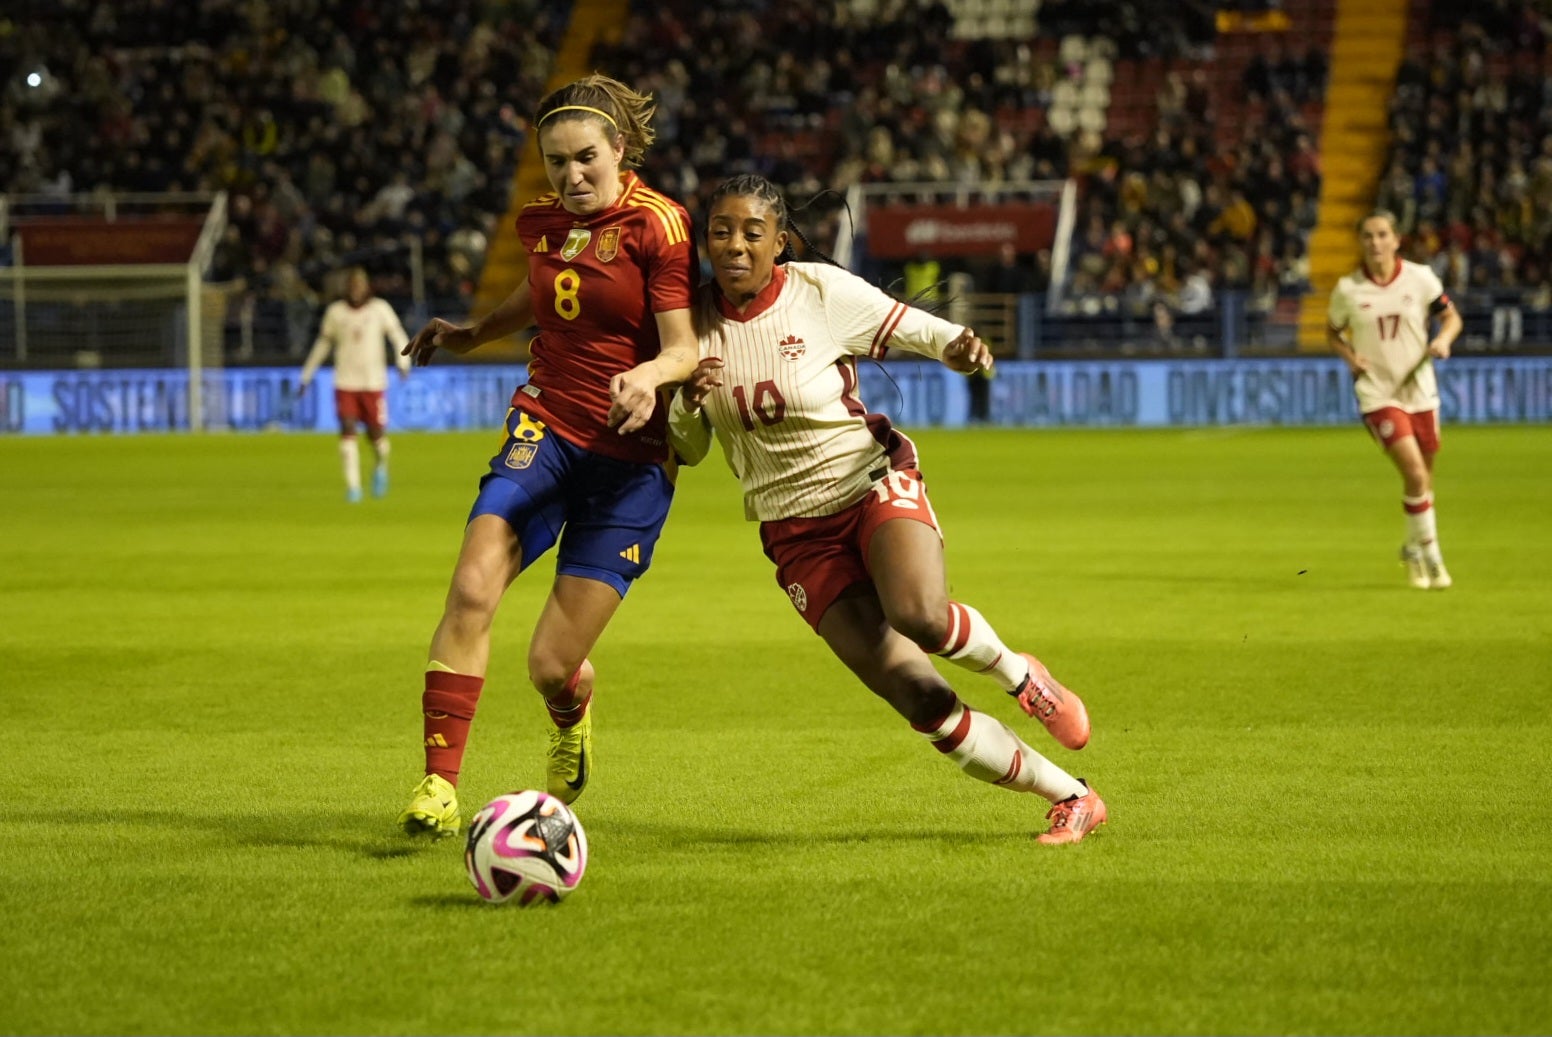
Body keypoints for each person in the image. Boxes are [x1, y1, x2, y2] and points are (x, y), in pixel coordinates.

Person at [667, 175, 1106, 845]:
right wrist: (687, 403)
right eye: (721, 231)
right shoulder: (687, 327)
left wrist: (959, 347)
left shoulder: (817, 293)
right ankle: (1072, 797)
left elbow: (920, 330)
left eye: (752, 232)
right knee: (920, 700)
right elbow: (690, 450)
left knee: (919, 614)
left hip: (868, 481)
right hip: (795, 536)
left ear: (778, 242)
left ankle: (1024, 678)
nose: (734, 244)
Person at [395, 74, 699, 838]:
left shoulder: (659, 225)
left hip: (632, 461)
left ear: (620, 150)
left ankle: (571, 715)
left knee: (550, 666)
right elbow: (545, 292)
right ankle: (438, 783)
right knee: (470, 588)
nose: (572, 177)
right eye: (557, 163)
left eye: (586, 158)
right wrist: (472, 333)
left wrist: (650, 376)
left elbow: (685, 347)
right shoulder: (541, 221)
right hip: (548, 428)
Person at [1327, 209, 1464, 589]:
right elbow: (1333, 332)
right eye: (1368, 236)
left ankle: (1412, 548)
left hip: (1420, 389)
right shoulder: (1348, 290)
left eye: (1382, 235)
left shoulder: (1420, 278)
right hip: (1378, 392)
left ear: (1396, 239)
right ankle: (1434, 559)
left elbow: (1451, 317)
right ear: (1361, 241)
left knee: (1422, 481)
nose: (1375, 243)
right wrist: (1352, 360)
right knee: (1415, 473)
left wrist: (1442, 340)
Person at [298, 267, 410, 502]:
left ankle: (380, 467)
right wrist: (306, 376)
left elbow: (397, 335)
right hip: (345, 382)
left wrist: (403, 361)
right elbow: (322, 345)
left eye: (360, 285)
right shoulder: (336, 313)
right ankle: (354, 488)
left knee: (375, 435)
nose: (356, 290)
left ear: (367, 287)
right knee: (347, 428)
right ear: (347, 288)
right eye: (352, 285)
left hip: (373, 382)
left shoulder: (380, 309)